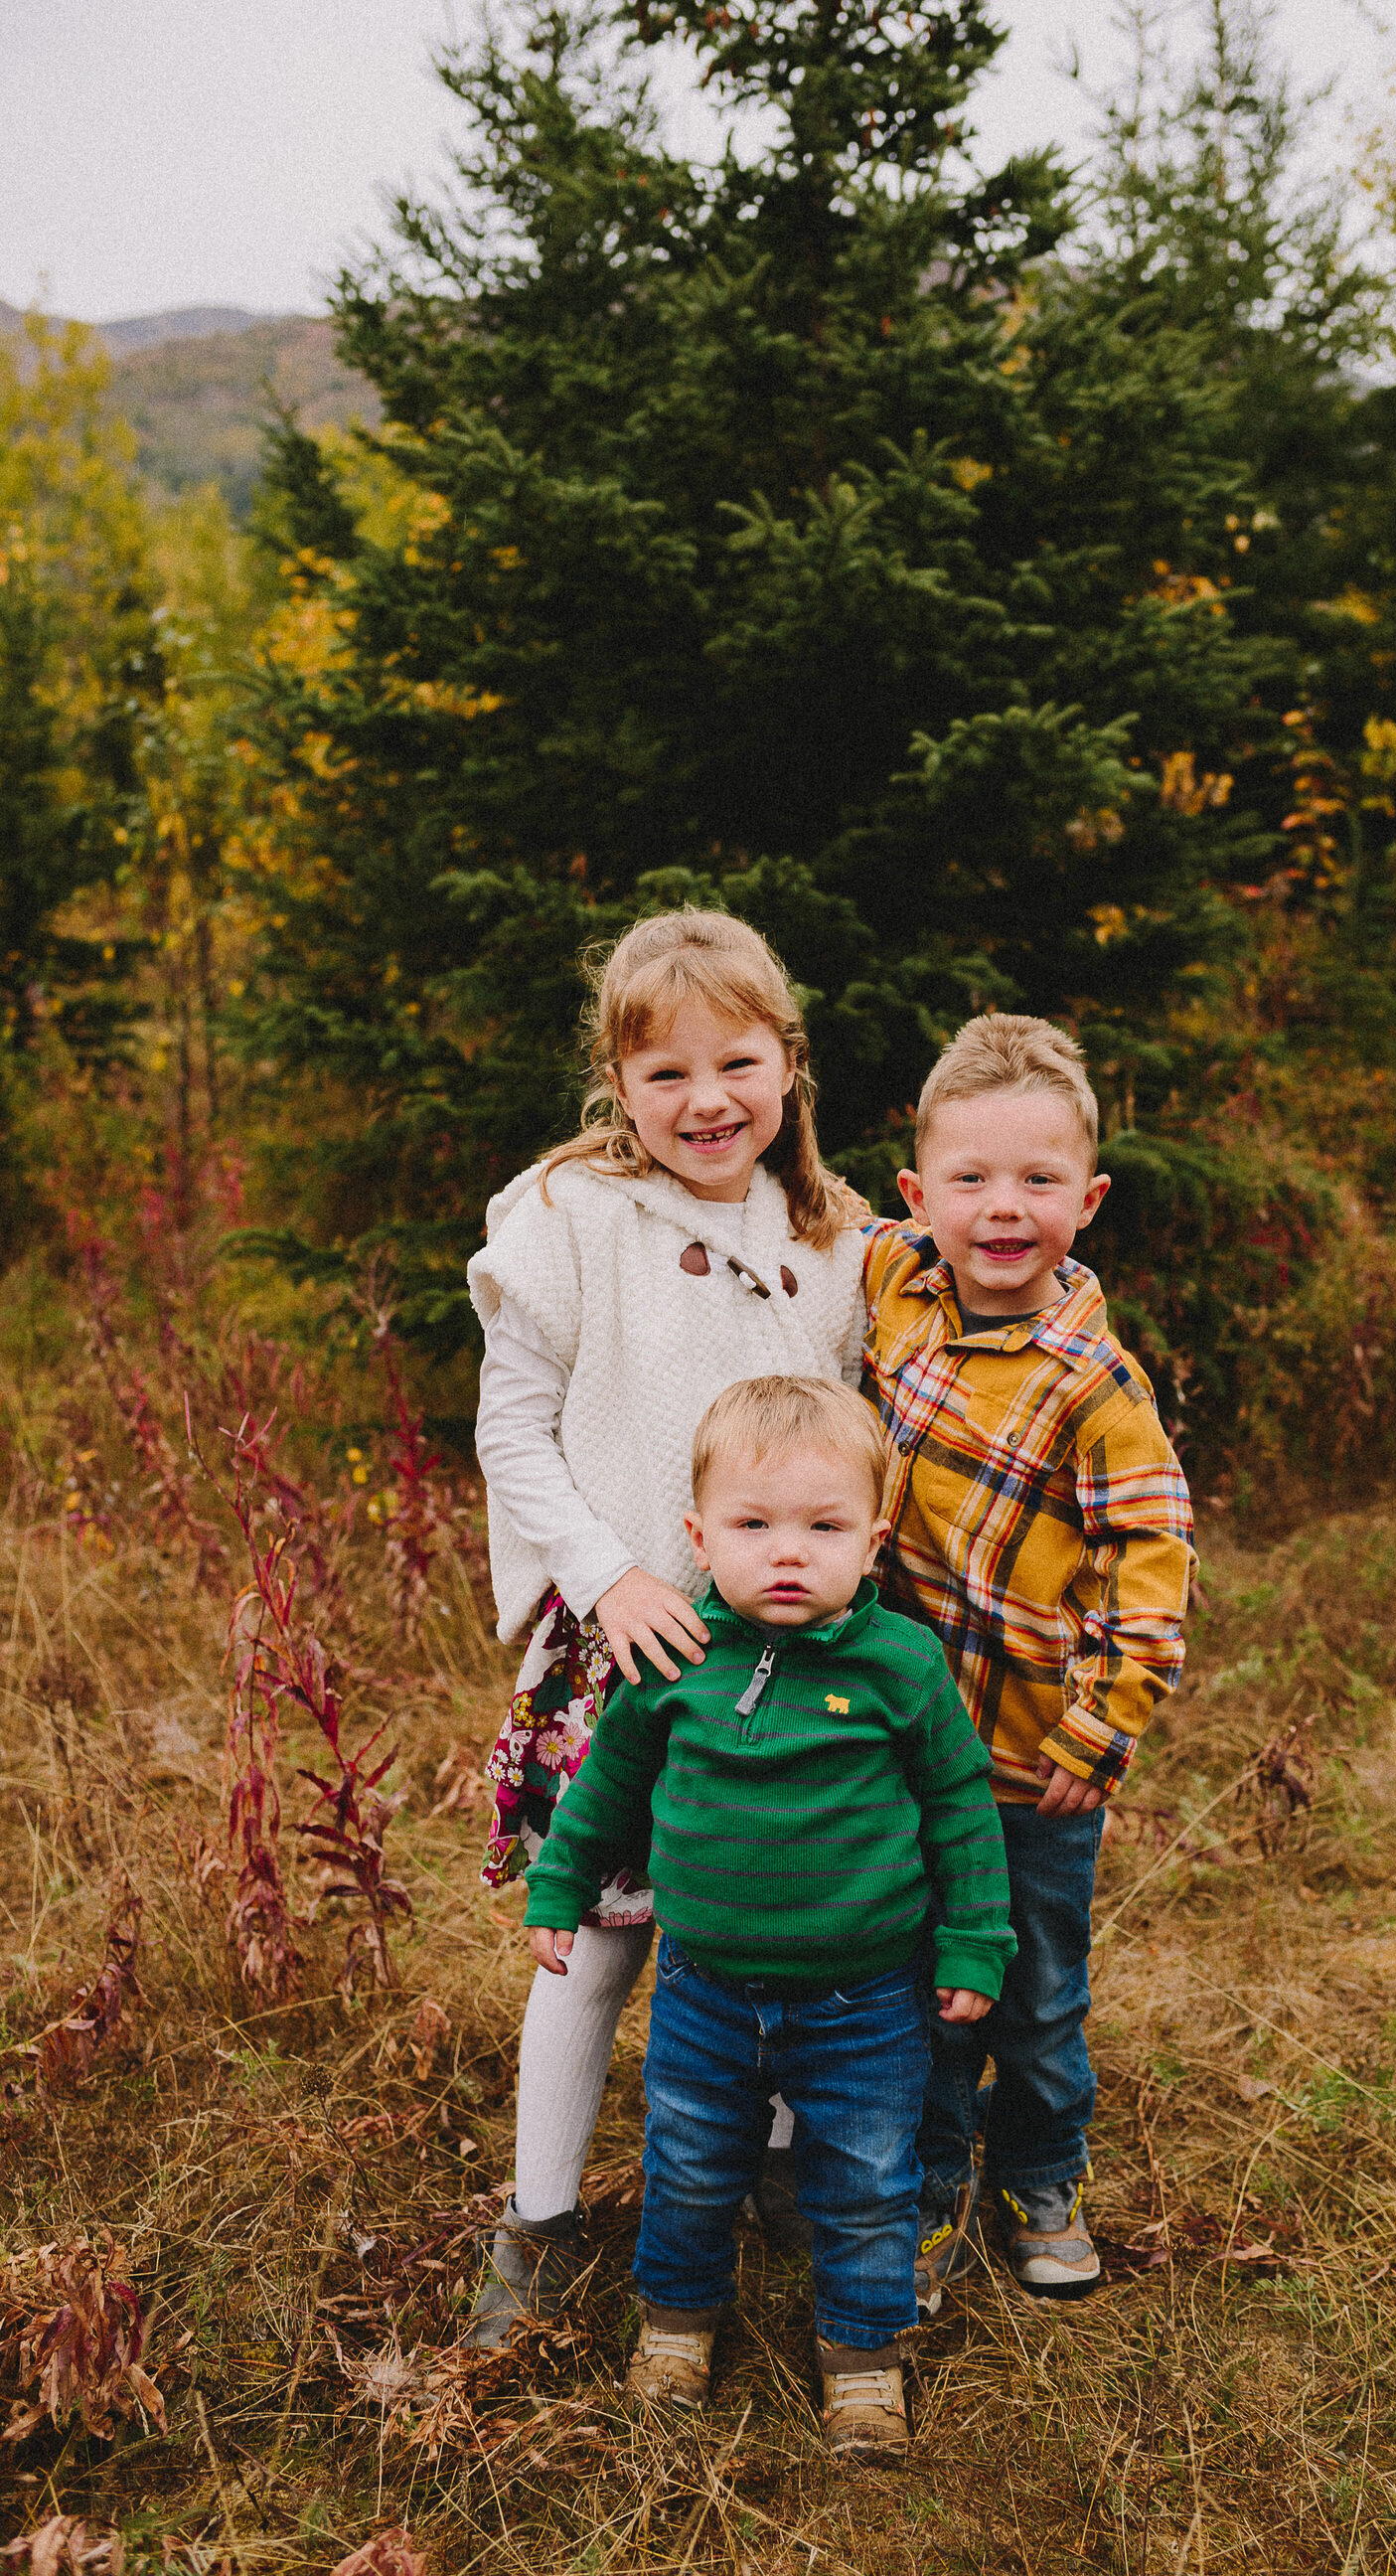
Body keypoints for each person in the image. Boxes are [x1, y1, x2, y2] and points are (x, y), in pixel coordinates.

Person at [462, 909, 868, 2347]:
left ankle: (764, 2173)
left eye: (737, 1065)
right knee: (601, 1938)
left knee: (770, 1909)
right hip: (626, 1644)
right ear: (618, 1088)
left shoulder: (833, 1238)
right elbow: (512, 1430)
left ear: (787, 1066)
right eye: (666, 1076)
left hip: (789, 1658)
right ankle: (541, 2222)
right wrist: (604, 1578)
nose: (707, 1103)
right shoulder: (572, 1219)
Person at [522, 1375, 1014, 2458]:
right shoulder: (674, 1663)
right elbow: (605, 1790)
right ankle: (678, 2323)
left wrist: (977, 1939)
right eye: (753, 1526)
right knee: (690, 2163)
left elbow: (959, 1812)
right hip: (704, 1989)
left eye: (822, 1527)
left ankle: (862, 2356)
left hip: (867, 1999)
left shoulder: (899, 1668)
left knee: (864, 2180)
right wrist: (560, 1886)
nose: (786, 1553)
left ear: (873, 1541)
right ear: (700, 1536)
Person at [862, 1014, 1195, 2308]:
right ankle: (929, 2186)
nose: (1003, 1209)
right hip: (900, 1751)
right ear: (916, 1197)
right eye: (970, 1180)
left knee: (1034, 1993)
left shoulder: (1097, 1388)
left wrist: (1099, 1731)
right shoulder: (892, 1289)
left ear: (1089, 1201)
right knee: (920, 1982)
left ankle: (1038, 2173)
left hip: (1028, 1768)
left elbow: (1148, 1564)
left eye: (1038, 1181)